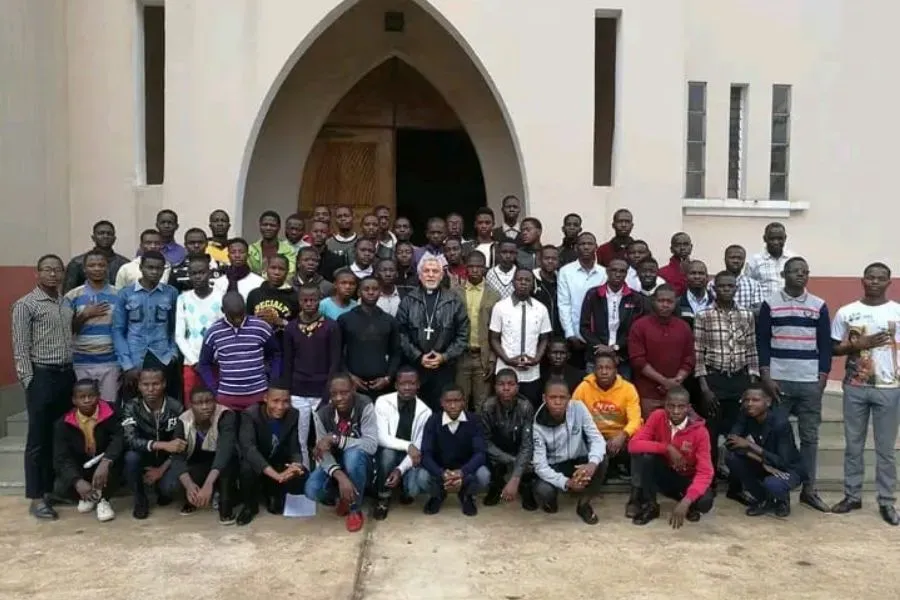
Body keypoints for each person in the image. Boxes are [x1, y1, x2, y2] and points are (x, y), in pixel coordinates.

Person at [757, 256, 832, 512]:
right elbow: (763, 342)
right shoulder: (770, 304)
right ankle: (779, 490)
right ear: (783, 274)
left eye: (804, 271)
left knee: (810, 437)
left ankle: (809, 490)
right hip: (779, 381)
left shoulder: (819, 305)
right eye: (794, 271)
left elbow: (824, 345)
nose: (800, 275)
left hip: (810, 381)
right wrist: (766, 375)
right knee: (778, 435)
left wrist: (823, 376)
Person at [830, 262, 900, 525]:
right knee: (853, 445)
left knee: (885, 449)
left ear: (888, 282)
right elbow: (834, 349)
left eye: (880, 278)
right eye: (870, 277)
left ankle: (886, 501)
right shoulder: (848, 312)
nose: (875, 282)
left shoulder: (897, 311)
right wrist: (858, 345)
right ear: (862, 280)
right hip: (856, 386)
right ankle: (852, 495)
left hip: (889, 387)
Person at [13, 254, 75, 519]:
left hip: (65, 376)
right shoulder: (26, 305)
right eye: (47, 270)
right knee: (37, 440)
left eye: (57, 270)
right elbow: (19, 347)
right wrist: (30, 381)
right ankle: (36, 496)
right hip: (42, 376)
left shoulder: (65, 303)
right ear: (37, 274)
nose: (53, 274)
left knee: (58, 436)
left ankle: (52, 490)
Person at [694, 270, 759, 485]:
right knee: (710, 435)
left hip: (739, 381)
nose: (726, 290)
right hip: (714, 381)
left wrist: (752, 382)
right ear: (714, 289)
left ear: (736, 289)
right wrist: (704, 389)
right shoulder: (704, 315)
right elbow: (698, 354)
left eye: (730, 286)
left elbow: (751, 350)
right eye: (721, 286)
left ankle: (737, 485)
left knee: (738, 433)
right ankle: (708, 481)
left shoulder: (746, 315)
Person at [629, 386, 715, 527]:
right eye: (671, 406)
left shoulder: (700, 432)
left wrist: (686, 501)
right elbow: (633, 445)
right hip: (665, 472)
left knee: (705, 502)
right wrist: (667, 448)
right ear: (665, 405)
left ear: (688, 407)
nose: (675, 411)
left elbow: (705, 472)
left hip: (687, 477)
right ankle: (651, 505)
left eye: (681, 407)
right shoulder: (657, 416)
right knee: (645, 457)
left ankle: (686, 501)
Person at [572, 352, 643, 517]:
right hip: (593, 438)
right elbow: (573, 416)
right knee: (599, 455)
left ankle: (636, 498)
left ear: (615, 370)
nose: (604, 372)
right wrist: (594, 440)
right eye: (600, 368)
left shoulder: (628, 389)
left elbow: (635, 420)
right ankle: (586, 500)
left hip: (620, 438)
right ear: (594, 370)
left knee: (640, 448)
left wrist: (622, 435)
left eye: (608, 368)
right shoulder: (584, 387)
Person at [307, 373, 377, 532]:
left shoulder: (364, 404)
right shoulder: (322, 414)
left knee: (353, 455)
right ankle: (344, 495)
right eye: (334, 394)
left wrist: (336, 439)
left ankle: (354, 509)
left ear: (353, 389)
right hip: (337, 465)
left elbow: (371, 445)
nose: (339, 398)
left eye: (344, 392)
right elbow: (321, 452)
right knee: (311, 490)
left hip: (361, 464)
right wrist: (340, 477)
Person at [532, 377, 608, 524]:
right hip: (555, 465)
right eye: (553, 397)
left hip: (577, 462)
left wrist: (592, 464)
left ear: (569, 398)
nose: (558, 402)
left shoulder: (578, 408)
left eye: (562, 397)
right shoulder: (537, 425)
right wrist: (567, 483)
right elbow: (540, 466)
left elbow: (597, 438)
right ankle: (553, 499)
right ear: (544, 398)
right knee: (544, 491)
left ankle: (584, 504)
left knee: (602, 460)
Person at [397, 257, 469, 410]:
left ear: (442, 275)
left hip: (444, 368)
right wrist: (418, 356)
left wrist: (444, 356)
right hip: (415, 367)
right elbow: (400, 334)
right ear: (420, 275)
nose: (430, 275)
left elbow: (462, 335)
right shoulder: (408, 301)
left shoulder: (454, 301)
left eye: (435, 271)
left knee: (440, 410)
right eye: (426, 271)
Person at [726, 385, 804, 518]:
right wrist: (761, 461)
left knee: (772, 483)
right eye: (747, 400)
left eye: (755, 400)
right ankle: (764, 500)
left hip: (788, 469)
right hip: (763, 462)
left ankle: (782, 500)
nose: (750, 404)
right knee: (732, 458)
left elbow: (783, 462)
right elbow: (731, 442)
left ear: (767, 402)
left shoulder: (780, 423)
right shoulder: (745, 415)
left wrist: (751, 445)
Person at [198, 291, 281, 411]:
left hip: (259, 395)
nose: (238, 320)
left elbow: (276, 355)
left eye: (241, 315)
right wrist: (213, 389)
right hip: (227, 398)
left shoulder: (261, 327)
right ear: (223, 310)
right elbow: (204, 363)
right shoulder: (213, 332)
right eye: (233, 316)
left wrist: (273, 382)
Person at [52, 379, 121, 522]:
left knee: (122, 460)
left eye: (91, 396)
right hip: (83, 465)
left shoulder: (112, 412)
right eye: (81, 397)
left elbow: (120, 439)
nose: (87, 400)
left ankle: (103, 499)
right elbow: (61, 457)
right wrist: (77, 481)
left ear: (99, 395)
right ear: (74, 400)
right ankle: (87, 495)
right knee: (60, 486)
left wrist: (106, 461)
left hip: (105, 463)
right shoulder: (63, 423)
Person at [112, 250, 179, 399]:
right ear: (141, 267)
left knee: (163, 400)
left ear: (164, 269)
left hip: (162, 356)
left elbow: (175, 327)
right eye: (150, 267)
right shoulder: (126, 294)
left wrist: (173, 353)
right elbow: (118, 331)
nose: (154, 272)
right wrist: (127, 364)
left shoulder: (171, 293)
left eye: (159, 268)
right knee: (132, 403)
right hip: (134, 356)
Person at [237, 386, 307, 525]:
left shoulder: (293, 414)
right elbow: (249, 449)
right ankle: (250, 507)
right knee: (246, 467)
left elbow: (294, 445)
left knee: (299, 474)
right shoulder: (250, 415)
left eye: (285, 401)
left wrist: (296, 465)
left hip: (277, 459)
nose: (280, 407)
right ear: (265, 399)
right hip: (256, 461)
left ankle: (272, 495)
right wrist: (277, 476)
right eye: (275, 401)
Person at [121, 366, 184, 519]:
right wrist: (162, 445)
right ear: (139, 386)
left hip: (167, 460)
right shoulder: (131, 407)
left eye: (155, 384)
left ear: (164, 384)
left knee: (169, 489)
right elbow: (130, 439)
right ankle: (140, 499)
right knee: (130, 457)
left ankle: (161, 487)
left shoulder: (176, 407)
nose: (150, 389)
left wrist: (161, 470)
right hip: (144, 456)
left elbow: (180, 444)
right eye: (145, 385)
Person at [373, 367, 433, 520]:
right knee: (388, 454)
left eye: (412, 383)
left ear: (418, 385)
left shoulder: (425, 412)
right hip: (387, 453)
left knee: (412, 490)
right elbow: (381, 437)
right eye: (403, 383)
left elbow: (418, 446)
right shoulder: (383, 402)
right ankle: (383, 497)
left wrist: (400, 469)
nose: (407, 388)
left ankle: (402, 487)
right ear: (396, 385)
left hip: (409, 458)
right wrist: (408, 446)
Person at [169, 387, 237, 523]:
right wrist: (188, 485)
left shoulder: (225, 415)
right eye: (199, 403)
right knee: (171, 486)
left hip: (224, 464)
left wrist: (208, 484)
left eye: (209, 401)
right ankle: (193, 498)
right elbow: (177, 456)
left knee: (226, 466)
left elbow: (225, 450)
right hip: (200, 464)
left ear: (215, 402)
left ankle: (225, 506)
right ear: (190, 405)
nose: (205, 407)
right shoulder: (183, 420)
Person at [420, 386, 490, 516]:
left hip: (464, 468)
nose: (453, 405)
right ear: (441, 402)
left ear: (464, 402)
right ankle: (438, 495)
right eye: (448, 401)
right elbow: (426, 454)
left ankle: (467, 495)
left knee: (484, 475)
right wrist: (442, 473)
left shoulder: (474, 420)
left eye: (457, 401)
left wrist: (462, 472)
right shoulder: (433, 421)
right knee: (422, 477)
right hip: (441, 469)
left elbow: (480, 453)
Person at [628, 285, 695, 418]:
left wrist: (676, 381)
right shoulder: (639, 326)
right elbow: (638, 361)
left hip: (676, 396)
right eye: (661, 301)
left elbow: (689, 358)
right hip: (647, 395)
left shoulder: (683, 327)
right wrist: (665, 382)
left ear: (676, 302)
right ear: (653, 301)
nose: (665, 305)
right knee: (650, 433)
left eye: (669, 301)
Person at [489, 268, 552, 407]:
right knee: (503, 410)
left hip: (531, 373)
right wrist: (507, 359)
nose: (523, 283)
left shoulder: (541, 308)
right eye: (519, 279)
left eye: (527, 280)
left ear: (533, 284)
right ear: (513, 282)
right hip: (505, 370)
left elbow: (544, 338)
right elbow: (494, 338)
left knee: (529, 408)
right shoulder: (500, 307)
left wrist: (536, 359)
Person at [63, 249, 120, 404]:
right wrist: (85, 315)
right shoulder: (72, 296)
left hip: (111, 361)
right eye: (92, 265)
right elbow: (66, 330)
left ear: (107, 268)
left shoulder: (119, 294)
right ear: (84, 269)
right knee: (86, 406)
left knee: (109, 407)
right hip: (82, 361)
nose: (97, 269)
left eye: (101, 265)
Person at [282, 283, 342, 422]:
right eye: (305, 300)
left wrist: (329, 391)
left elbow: (335, 361)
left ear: (319, 300)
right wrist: (287, 389)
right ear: (299, 301)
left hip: (322, 389)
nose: (309, 303)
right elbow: (287, 361)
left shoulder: (331, 326)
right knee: (299, 435)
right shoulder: (291, 328)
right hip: (298, 390)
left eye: (313, 300)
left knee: (323, 433)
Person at [580, 257, 646, 377]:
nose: (617, 274)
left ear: (626, 273)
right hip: (595, 355)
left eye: (622, 271)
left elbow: (635, 330)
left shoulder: (635, 298)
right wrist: (601, 348)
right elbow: (584, 327)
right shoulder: (593, 295)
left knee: (622, 393)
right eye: (614, 270)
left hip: (622, 357)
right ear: (607, 271)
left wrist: (616, 347)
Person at [480, 369, 537, 510]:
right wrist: (511, 460)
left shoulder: (525, 407)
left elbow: (527, 444)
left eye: (511, 384)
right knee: (485, 455)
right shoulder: (488, 406)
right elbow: (485, 441)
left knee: (530, 458)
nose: (506, 388)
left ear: (517, 387)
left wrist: (516, 475)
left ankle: (525, 488)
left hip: (519, 448)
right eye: (501, 384)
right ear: (495, 387)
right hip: (497, 451)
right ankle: (496, 486)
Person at [339, 276, 400, 400]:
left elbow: (396, 353)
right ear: (359, 292)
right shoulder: (345, 319)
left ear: (380, 292)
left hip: (382, 386)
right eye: (366, 289)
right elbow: (336, 352)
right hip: (353, 385)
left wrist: (388, 378)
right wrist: (349, 377)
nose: (371, 292)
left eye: (375, 289)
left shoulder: (389, 320)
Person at [454, 250, 500, 413]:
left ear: (485, 268)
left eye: (478, 267)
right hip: (461, 356)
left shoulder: (494, 295)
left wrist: (492, 360)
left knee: (483, 405)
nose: (474, 270)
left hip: (483, 357)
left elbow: (497, 332)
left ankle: (481, 438)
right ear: (466, 267)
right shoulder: (456, 293)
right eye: (471, 266)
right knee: (460, 402)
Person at [174, 255, 223, 404]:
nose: (198, 277)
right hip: (192, 364)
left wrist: (214, 358)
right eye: (193, 273)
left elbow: (223, 331)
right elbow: (179, 336)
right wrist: (196, 361)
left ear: (209, 273)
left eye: (201, 272)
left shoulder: (220, 297)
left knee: (215, 403)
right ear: (189, 275)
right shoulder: (183, 299)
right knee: (192, 404)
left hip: (216, 362)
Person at [557, 232, 607, 371]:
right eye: (582, 244)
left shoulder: (604, 273)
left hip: (598, 339)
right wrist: (570, 333)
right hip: (574, 337)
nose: (586, 247)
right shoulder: (566, 272)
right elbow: (564, 304)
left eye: (589, 244)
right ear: (576, 248)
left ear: (596, 247)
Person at [63, 220, 130, 293]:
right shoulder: (77, 263)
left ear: (114, 238)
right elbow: (67, 293)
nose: (105, 236)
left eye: (109, 234)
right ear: (93, 237)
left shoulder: (125, 264)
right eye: (101, 233)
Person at [246, 254, 300, 344]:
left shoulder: (294, 296)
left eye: (281, 269)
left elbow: (300, 328)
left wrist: (281, 321)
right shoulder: (254, 294)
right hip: (258, 346)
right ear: (266, 269)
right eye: (273, 268)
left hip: (283, 347)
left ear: (287, 272)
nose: (276, 272)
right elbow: (247, 323)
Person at [746, 222, 794, 299]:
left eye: (779, 238)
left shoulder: (792, 259)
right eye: (772, 239)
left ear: (785, 238)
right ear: (765, 238)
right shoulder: (754, 261)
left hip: (788, 306)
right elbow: (747, 286)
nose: (776, 242)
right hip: (765, 307)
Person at [710, 244, 763, 314]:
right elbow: (709, 308)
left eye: (739, 258)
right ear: (725, 259)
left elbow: (758, 310)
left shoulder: (754, 284)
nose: (736, 261)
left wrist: (735, 315)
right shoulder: (712, 283)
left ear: (744, 261)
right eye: (732, 257)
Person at [248, 210, 297, 277]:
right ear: (260, 226)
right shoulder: (251, 249)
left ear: (279, 227)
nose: (268, 228)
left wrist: (263, 274)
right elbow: (248, 272)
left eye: (272, 225)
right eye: (265, 225)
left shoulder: (289, 250)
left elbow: (290, 274)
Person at [532, 245, 563, 336]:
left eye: (554, 259)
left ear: (558, 261)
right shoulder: (532, 279)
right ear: (539, 260)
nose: (550, 261)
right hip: (537, 333)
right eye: (546, 258)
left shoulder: (562, 281)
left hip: (558, 332)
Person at [677, 260, 714, 329]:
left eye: (701, 273)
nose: (697, 277)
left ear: (707, 278)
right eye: (693, 273)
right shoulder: (677, 303)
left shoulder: (715, 302)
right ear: (686, 277)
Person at [657, 232, 692, 297]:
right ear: (671, 249)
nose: (682, 248)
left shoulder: (697, 270)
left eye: (686, 244)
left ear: (691, 247)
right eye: (678, 245)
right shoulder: (662, 273)